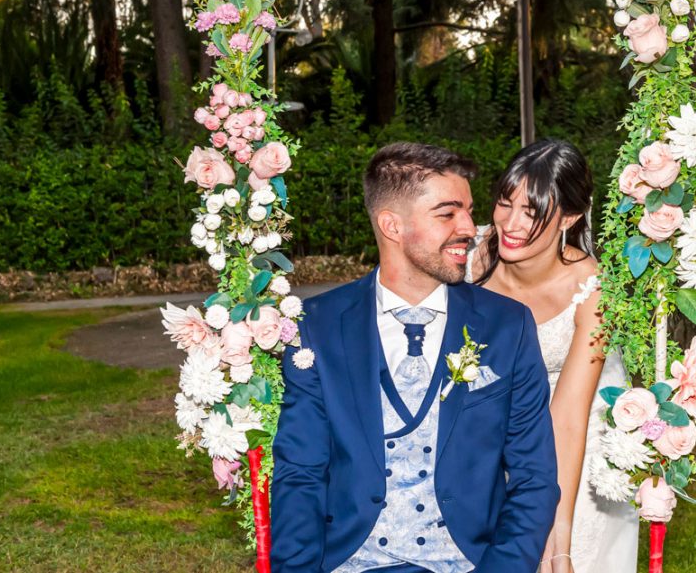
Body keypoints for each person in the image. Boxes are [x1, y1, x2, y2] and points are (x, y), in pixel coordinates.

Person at [271, 142, 560, 573]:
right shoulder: (318, 326)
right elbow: (300, 475)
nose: (471, 227)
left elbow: (534, 479)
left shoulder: (508, 327)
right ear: (392, 226)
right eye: (448, 214)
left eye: (468, 210)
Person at [467, 139, 639, 573]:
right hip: (488, 417)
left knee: (568, 551)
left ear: (570, 217)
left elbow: (566, 417)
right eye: (505, 203)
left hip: (571, 431)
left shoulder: (594, 291)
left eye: (533, 211)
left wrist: (556, 535)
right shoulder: (470, 259)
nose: (511, 223)